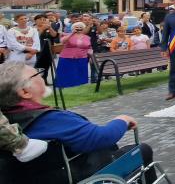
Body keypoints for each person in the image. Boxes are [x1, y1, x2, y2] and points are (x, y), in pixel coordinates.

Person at [0, 62, 157, 182]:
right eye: (36, 75)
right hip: (81, 174)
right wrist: (122, 120)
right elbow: (100, 137)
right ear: (25, 92)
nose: (42, 77)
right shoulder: (50, 119)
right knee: (142, 149)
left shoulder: (8, 122)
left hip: (39, 177)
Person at [55, 22, 92, 88]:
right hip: (67, 57)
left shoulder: (87, 37)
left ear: (83, 29)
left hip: (82, 58)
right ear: (73, 28)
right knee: (66, 74)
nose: (79, 28)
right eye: (77, 27)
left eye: (81, 27)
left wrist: (91, 56)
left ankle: (80, 87)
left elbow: (89, 47)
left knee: (80, 74)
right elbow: (62, 41)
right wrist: (72, 33)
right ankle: (64, 87)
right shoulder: (67, 35)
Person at [33, 15, 58, 85]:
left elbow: (54, 35)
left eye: (44, 19)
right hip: (37, 50)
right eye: (40, 19)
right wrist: (41, 29)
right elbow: (35, 38)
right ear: (35, 21)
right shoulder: (33, 29)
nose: (42, 21)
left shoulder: (48, 28)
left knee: (46, 66)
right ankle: (37, 82)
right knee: (37, 66)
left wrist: (50, 28)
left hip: (47, 50)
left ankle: (44, 81)